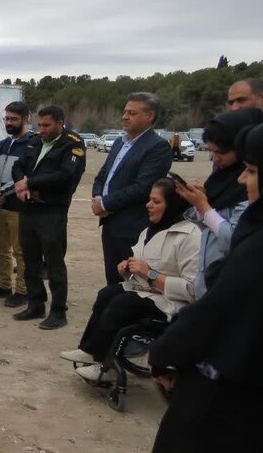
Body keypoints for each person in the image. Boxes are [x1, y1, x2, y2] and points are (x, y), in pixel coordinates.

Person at [148, 123, 263, 452]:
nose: (242, 179)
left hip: (229, 393)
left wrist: (165, 354)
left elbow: (218, 312)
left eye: (252, 171)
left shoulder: (255, 249)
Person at [60, 178, 199, 382]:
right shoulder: (150, 230)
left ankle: (103, 365)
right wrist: (128, 269)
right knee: (107, 293)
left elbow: (192, 289)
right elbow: (141, 270)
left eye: (156, 201)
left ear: (173, 205)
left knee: (122, 304)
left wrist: (150, 274)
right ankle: (90, 350)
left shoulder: (191, 236)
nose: (148, 205)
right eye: (149, 200)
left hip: (171, 303)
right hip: (147, 293)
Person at [11, 105, 87, 329]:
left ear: (60, 123)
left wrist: (31, 182)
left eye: (46, 125)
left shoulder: (72, 144)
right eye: (39, 125)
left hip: (51, 211)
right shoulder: (35, 141)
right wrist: (20, 184)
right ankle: (36, 304)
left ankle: (58, 311)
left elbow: (66, 175)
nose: (41, 129)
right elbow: (19, 165)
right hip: (29, 208)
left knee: (54, 263)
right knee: (30, 260)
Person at [176, 109, 261, 298]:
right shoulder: (220, 180)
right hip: (207, 282)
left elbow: (235, 239)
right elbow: (209, 230)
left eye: (220, 152)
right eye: (211, 151)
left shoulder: (249, 189)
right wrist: (200, 203)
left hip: (232, 287)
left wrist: (205, 208)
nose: (215, 158)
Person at [92, 93, 172, 287]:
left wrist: (105, 203)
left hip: (133, 227)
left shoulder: (157, 147)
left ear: (149, 116)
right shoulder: (120, 142)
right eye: (125, 111)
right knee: (113, 279)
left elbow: (143, 187)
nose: (124, 116)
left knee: (132, 283)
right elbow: (103, 175)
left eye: (132, 113)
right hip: (110, 224)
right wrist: (97, 196)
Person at [0, 102, 32, 307]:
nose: (9, 122)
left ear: (26, 119)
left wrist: (4, 192)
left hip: (17, 207)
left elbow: (27, 175)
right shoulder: (2, 144)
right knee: (1, 248)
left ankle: (22, 290)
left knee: (20, 251)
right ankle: (4, 284)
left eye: (14, 119)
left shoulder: (32, 144)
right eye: (7, 118)